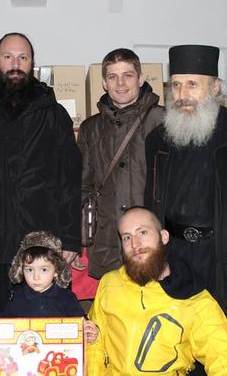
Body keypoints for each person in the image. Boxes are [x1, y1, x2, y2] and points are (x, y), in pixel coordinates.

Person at [0, 32, 81, 336]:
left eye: (23, 57)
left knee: (42, 335)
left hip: (39, 248)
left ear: (32, 63)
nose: (15, 64)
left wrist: (71, 239)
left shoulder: (54, 116)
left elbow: (69, 181)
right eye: (8, 57)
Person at [144, 44, 227, 375]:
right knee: (177, 348)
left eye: (192, 84)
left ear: (214, 87)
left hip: (223, 262)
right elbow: (151, 206)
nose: (183, 95)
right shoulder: (158, 140)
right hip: (175, 257)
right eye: (176, 85)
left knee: (225, 351)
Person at [87, 206, 227, 375]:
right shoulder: (110, 283)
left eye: (142, 232)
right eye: (127, 237)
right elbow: (94, 341)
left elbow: (223, 358)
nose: (135, 244)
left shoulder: (195, 300)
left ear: (164, 237)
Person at [75, 48, 164, 296]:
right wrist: (77, 240)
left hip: (151, 243)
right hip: (107, 242)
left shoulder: (163, 120)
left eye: (128, 75)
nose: (120, 83)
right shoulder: (90, 128)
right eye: (113, 77)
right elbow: (81, 187)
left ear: (141, 78)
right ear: (104, 83)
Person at [4, 231, 99, 343]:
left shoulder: (66, 298)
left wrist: (90, 331)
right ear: (21, 270)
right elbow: (3, 325)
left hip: (60, 352)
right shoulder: (18, 298)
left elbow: (81, 324)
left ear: (56, 270)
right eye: (30, 270)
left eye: (44, 270)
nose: (36, 277)